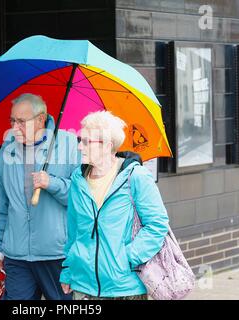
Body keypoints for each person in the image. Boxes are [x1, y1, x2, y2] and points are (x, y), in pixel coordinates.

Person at [60, 111, 169, 300]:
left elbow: (157, 225)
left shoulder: (135, 177)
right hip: (83, 285)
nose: (79, 147)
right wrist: (68, 270)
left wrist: (127, 257)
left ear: (107, 146)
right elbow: (73, 230)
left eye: (86, 142)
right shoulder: (78, 179)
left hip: (125, 287)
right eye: (80, 140)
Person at [0, 93, 80, 300]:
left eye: (21, 121)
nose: (15, 127)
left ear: (41, 119)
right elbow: (3, 204)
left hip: (57, 254)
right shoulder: (7, 150)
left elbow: (81, 198)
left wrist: (52, 183)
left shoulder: (70, 145)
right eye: (12, 121)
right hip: (16, 254)